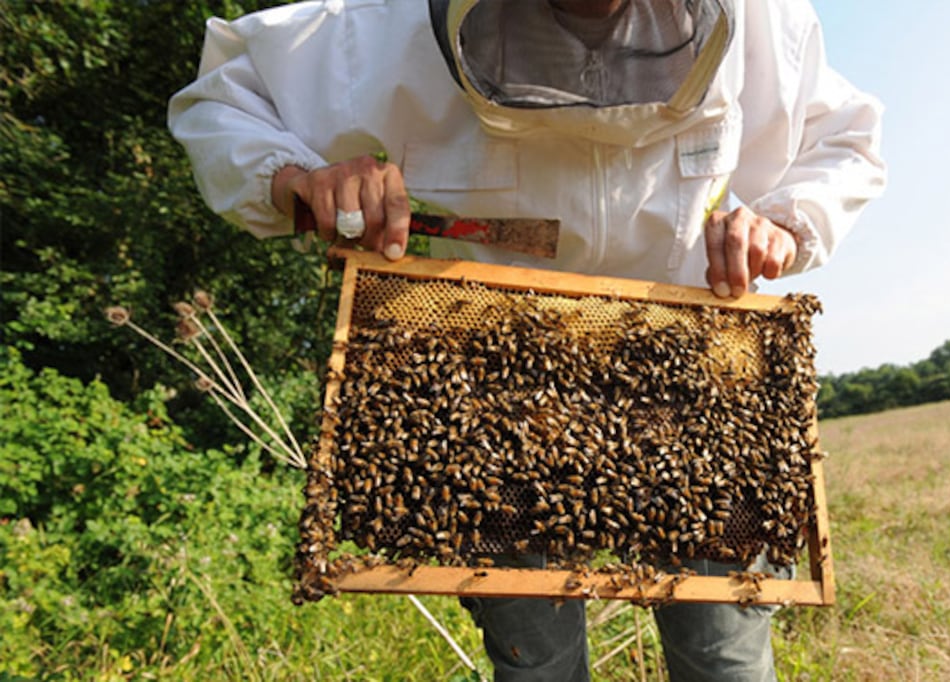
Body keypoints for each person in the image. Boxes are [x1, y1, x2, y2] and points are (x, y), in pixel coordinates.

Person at [169, 1, 885, 679]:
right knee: (535, 662)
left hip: (689, 380)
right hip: (497, 399)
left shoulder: (761, 22)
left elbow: (846, 138)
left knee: (723, 655)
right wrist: (297, 179)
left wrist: (784, 223)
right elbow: (223, 97)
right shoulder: (378, 27)